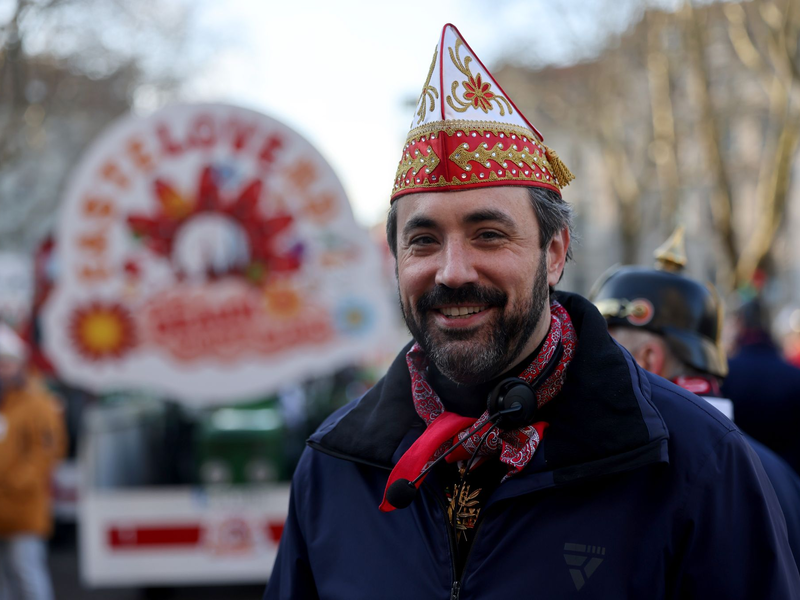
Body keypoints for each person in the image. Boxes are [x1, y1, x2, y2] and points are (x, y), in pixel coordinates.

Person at [265, 24, 799, 599]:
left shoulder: (696, 461)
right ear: (395, 259)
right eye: (422, 241)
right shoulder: (333, 467)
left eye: (489, 234)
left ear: (554, 253)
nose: (452, 271)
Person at [591, 227, 800, 565]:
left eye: (604, 345)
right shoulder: (779, 473)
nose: (589, 359)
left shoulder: (646, 473)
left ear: (647, 359)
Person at [0, 323, 66, 600]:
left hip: (23, 506)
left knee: (26, 573)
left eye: (6, 364)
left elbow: (47, 450)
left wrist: (19, 480)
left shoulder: (36, 402)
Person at [721, 298, 800, 475]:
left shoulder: (725, 374)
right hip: (788, 481)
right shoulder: (794, 375)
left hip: (738, 476)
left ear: (740, 325)